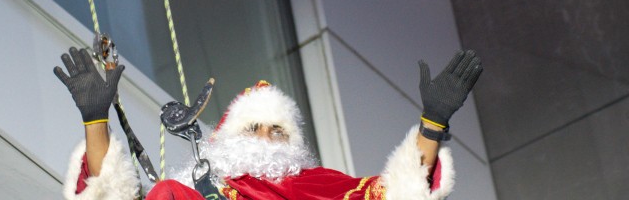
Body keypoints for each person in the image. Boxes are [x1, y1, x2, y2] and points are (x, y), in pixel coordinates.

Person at [54, 45, 482, 200]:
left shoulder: (313, 186)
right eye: (253, 127)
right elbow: (108, 194)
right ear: (224, 139)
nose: (265, 137)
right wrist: (96, 120)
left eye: (278, 130)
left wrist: (432, 123)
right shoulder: (191, 187)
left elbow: (396, 195)